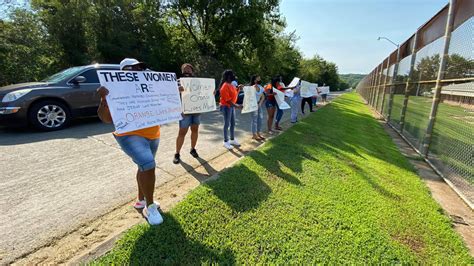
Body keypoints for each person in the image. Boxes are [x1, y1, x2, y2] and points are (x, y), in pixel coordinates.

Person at [96, 58, 163, 225]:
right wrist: (104, 100)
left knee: (143, 167)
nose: (137, 71)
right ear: (122, 72)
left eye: (139, 68)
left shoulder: (149, 87)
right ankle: (150, 207)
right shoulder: (113, 90)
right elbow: (105, 119)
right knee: (148, 165)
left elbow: (165, 104)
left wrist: (175, 93)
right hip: (129, 134)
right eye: (131, 69)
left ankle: (141, 200)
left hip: (153, 133)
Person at [173, 63, 200, 164]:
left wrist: (211, 93)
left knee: (195, 130)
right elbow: (169, 95)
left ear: (192, 71)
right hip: (184, 113)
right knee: (182, 133)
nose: (187, 71)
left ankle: (193, 149)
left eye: (189, 69)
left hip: (196, 112)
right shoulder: (177, 82)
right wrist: (177, 90)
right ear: (182, 71)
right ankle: (177, 153)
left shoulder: (198, 82)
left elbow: (204, 93)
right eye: (185, 69)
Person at [219, 69, 243, 149]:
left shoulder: (231, 85)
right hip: (226, 107)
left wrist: (238, 88)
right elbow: (228, 100)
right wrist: (237, 106)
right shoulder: (224, 86)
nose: (234, 76)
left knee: (233, 123)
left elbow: (234, 94)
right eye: (232, 74)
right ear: (229, 76)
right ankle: (226, 141)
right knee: (227, 124)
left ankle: (232, 139)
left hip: (231, 107)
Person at [249, 75, 266, 140]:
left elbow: (263, 97)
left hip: (259, 105)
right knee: (254, 120)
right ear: (255, 80)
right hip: (253, 105)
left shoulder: (260, 87)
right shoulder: (251, 88)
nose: (260, 78)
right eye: (258, 78)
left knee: (260, 119)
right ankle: (254, 134)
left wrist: (260, 103)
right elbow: (249, 98)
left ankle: (258, 133)